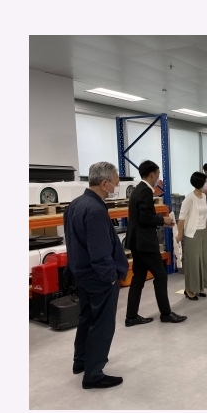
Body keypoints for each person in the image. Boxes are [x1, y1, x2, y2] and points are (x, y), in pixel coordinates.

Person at [63, 161, 128, 389]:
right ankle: (93, 374)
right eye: (115, 184)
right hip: (99, 278)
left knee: (86, 319)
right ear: (104, 183)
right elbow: (99, 251)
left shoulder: (75, 205)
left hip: (81, 274)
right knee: (102, 324)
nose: (116, 188)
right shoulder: (96, 210)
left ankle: (81, 361)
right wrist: (110, 277)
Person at [125, 160, 186, 324]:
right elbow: (145, 217)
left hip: (137, 242)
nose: (158, 178)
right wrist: (162, 219)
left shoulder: (137, 190)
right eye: (158, 175)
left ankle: (131, 316)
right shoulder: (145, 191)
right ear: (152, 174)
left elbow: (141, 217)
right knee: (160, 275)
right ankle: (165, 313)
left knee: (138, 278)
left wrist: (160, 221)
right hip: (145, 242)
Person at [176, 172, 207, 300]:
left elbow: (203, 215)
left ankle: (200, 287)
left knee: (203, 260)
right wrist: (179, 234)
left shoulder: (203, 196)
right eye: (205, 182)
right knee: (193, 261)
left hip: (202, 232)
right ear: (200, 183)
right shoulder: (189, 198)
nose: (206, 184)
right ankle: (189, 290)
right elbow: (181, 218)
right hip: (191, 233)